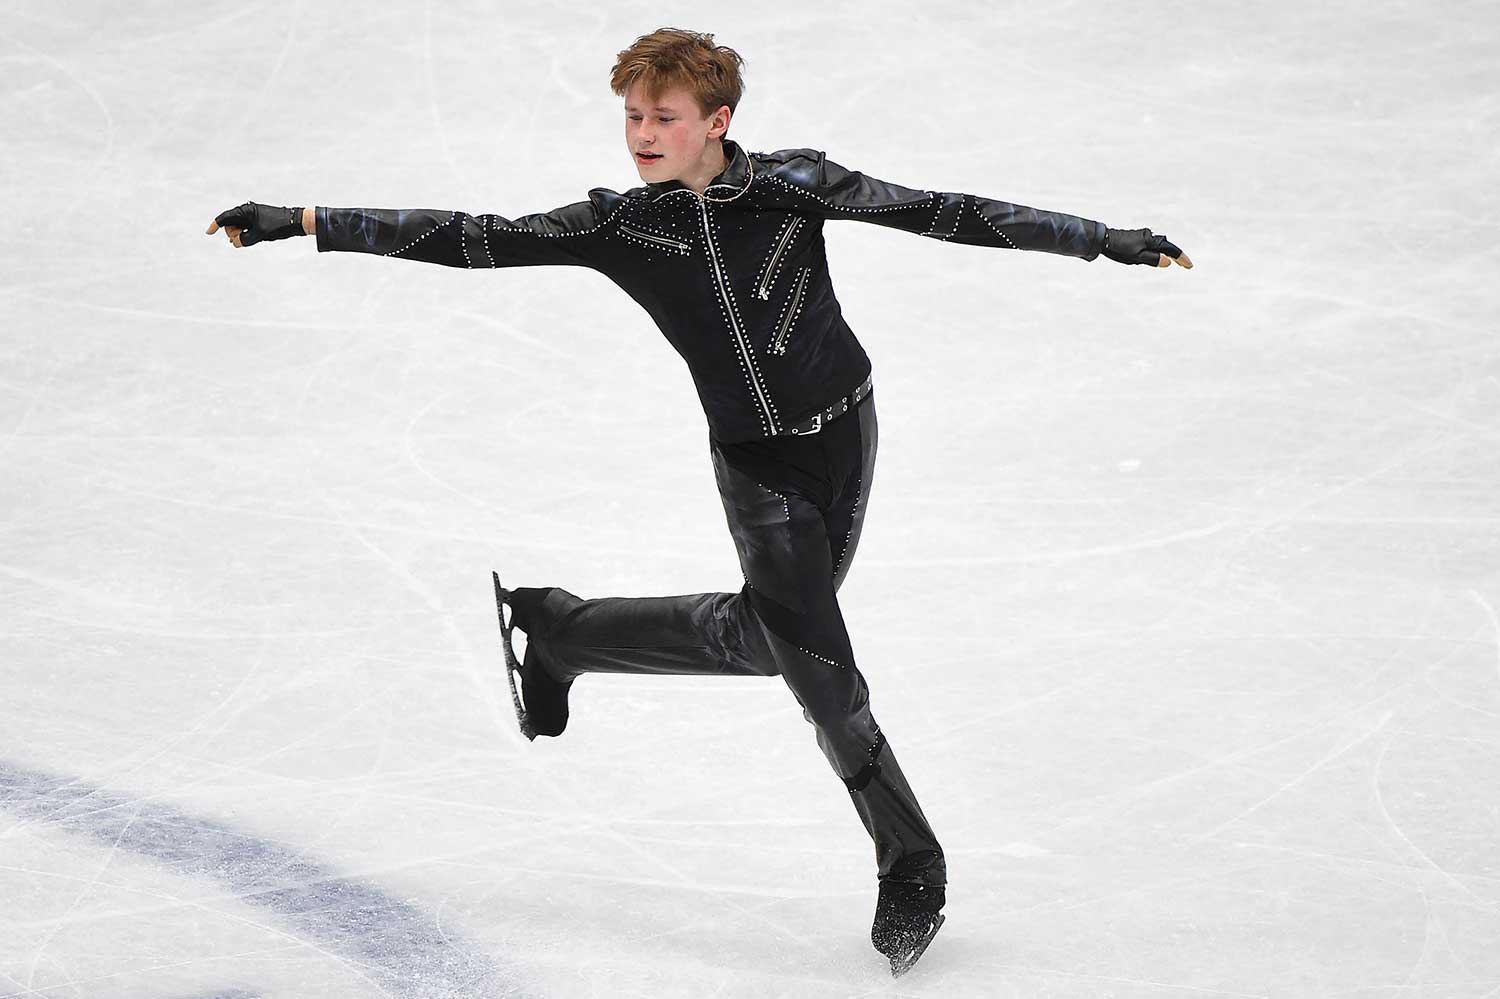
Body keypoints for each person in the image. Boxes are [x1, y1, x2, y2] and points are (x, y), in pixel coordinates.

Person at [206, 26, 1191, 977]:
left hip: (848, 434)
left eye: (661, 116)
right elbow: (474, 239)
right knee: (820, 675)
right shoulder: (622, 224)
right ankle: (911, 862)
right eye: (631, 115)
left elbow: (945, 211)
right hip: (758, 473)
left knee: (776, 643)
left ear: (716, 121)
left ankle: (563, 634)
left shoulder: (797, 185)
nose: (640, 134)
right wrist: (306, 222)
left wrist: (1100, 241)